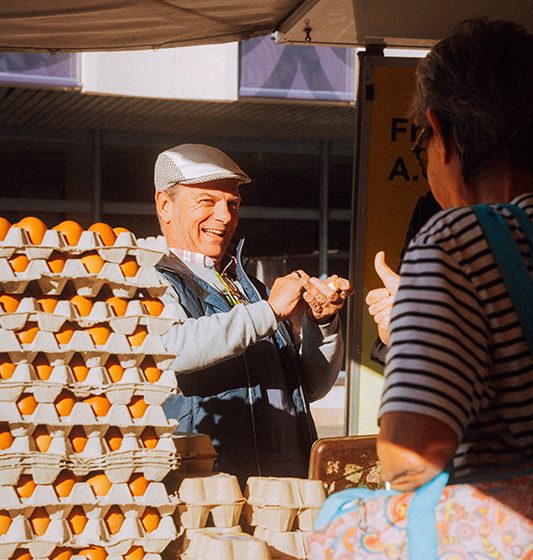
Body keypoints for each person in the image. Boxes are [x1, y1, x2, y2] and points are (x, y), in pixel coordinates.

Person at [308, 18, 533, 559]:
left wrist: (415, 326)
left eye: (423, 140)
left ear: (443, 133)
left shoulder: (459, 242)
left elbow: (411, 456)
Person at [152, 143, 352, 483]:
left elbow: (308, 388)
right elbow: (170, 349)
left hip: (280, 484)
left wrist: (322, 323)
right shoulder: (152, 281)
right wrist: (270, 311)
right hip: (208, 487)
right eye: (207, 202)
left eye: (232, 204)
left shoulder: (250, 288)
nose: (225, 217)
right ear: (165, 205)